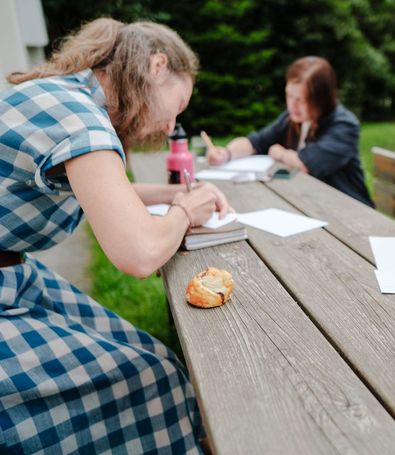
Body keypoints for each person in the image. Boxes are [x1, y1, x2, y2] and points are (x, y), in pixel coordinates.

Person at [0, 18, 231, 452]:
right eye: (176, 107)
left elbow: (106, 190)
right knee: (150, 380)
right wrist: (184, 210)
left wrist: (177, 192)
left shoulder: (70, 98)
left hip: (11, 275)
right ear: (157, 67)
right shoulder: (81, 120)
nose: (169, 127)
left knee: (160, 358)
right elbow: (140, 255)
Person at [206, 56, 374, 207]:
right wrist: (226, 154)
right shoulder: (293, 118)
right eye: (289, 96)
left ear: (321, 99)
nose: (292, 105)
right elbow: (255, 142)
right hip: (312, 204)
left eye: (301, 100)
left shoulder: (344, 125)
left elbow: (306, 164)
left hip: (350, 210)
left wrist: (280, 153)